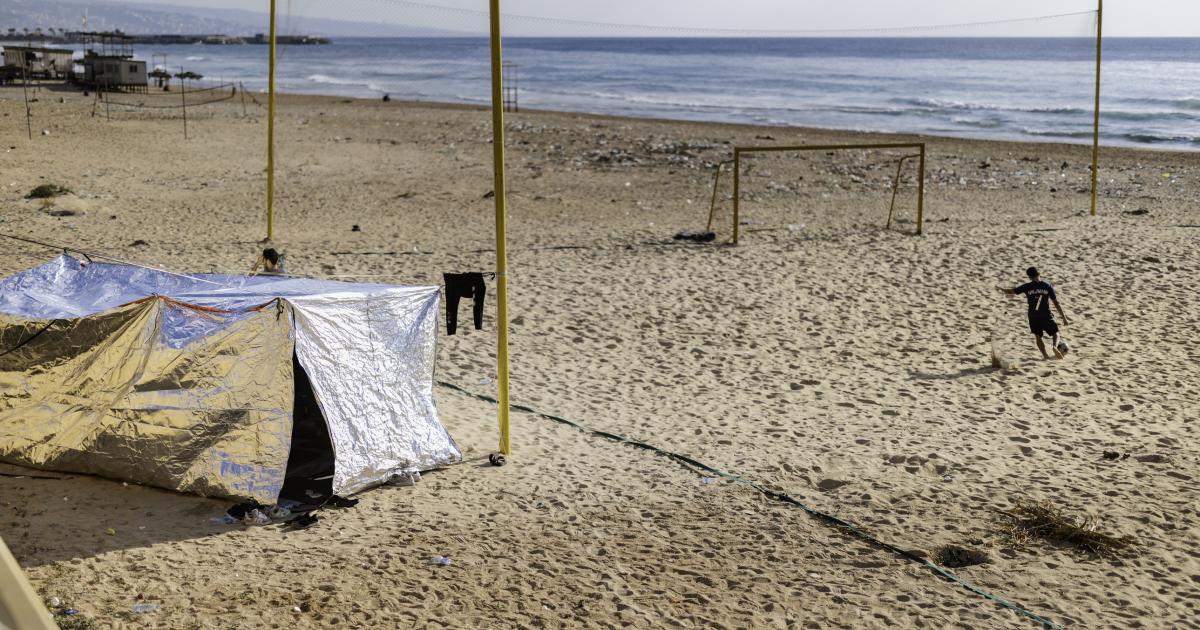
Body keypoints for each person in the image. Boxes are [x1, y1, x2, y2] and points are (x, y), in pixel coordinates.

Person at [999, 267, 1069, 360]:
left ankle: (1045, 356)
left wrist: (1002, 289)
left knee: (1038, 336)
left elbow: (1012, 291)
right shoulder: (1047, 285)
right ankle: (1055, 347)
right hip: (1045, 314)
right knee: (1056, 333)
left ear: (1029, 277)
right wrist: (1064, 318)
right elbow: (1056, 303)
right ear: (1039, 273)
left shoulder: (1027, 286)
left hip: (1033, 316)